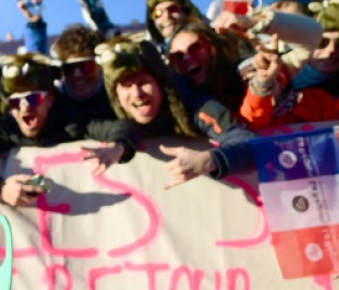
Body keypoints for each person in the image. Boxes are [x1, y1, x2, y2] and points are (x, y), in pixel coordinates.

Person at [0, 53, 136, 205]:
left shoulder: (69, 122)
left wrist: (119, 146)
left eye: (33, 98)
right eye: (16, 101)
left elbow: (120, 127)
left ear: (49, 99)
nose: (25, 107)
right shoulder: (4, 128)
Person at [94, 37, 256, 188]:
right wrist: (119, 144)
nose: (136, 94)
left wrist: (212, 160)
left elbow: (248, 142)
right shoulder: (104, 109)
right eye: (126, 86)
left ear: (160, 84)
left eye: (143, 82)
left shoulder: (195, 105)